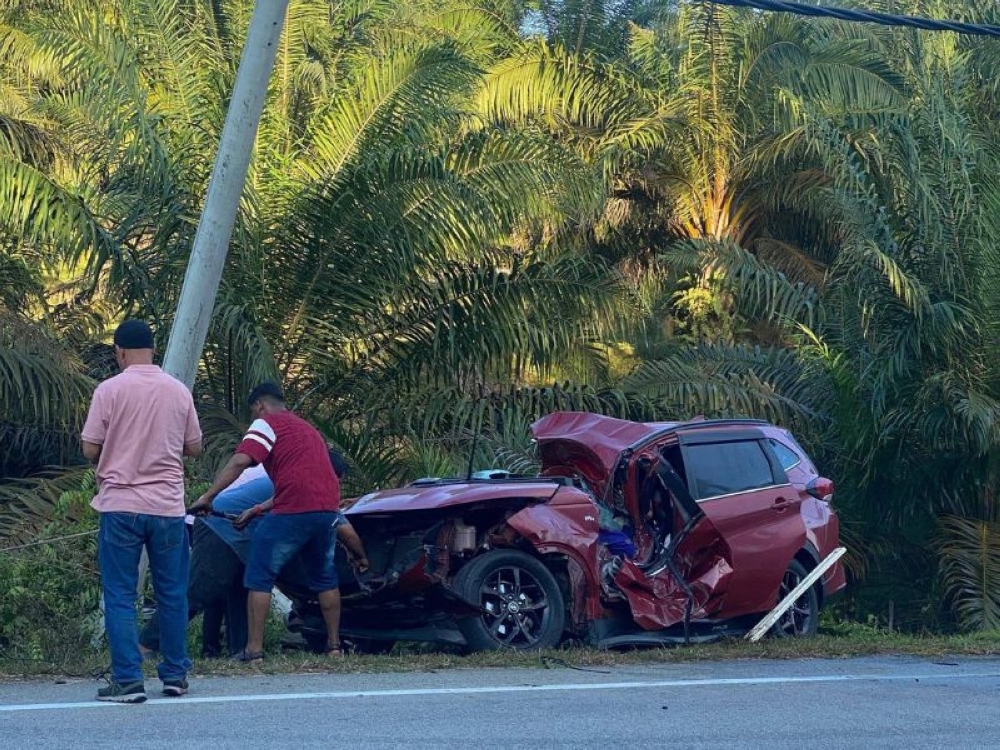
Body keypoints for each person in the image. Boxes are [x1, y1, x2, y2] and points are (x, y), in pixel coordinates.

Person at [81, 319, 202, 703]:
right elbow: (194, 447)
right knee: (172, 593)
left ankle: (128, 680)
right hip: (167, 507)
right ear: (153, 349)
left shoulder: (109, 390)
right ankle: (175, 675)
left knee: (120, 594)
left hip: (121, 506)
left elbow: (89, 448)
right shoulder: (178, 391)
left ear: (119, 352)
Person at [140, 456, 369, 657]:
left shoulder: (295, 477)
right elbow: (345, 531)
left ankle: (239, 649)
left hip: (236, 530)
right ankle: (146, 644)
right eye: (337, 479)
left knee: (240, 592)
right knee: (200, 592)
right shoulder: (309, 484)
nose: (336, 485)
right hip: (221, 526)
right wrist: (361, 557)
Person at [189, 381, 346, 661]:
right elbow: (303, 482)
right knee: (324, 578)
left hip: (291, 511)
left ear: (260, 405)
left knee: (258, 576)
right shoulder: (308, 429)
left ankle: (254, 650)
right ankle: (334, 648)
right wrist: (256, 510)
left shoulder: (267, 423)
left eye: (254, 411)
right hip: (326, 510)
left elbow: (241, 461)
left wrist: (209, 497)